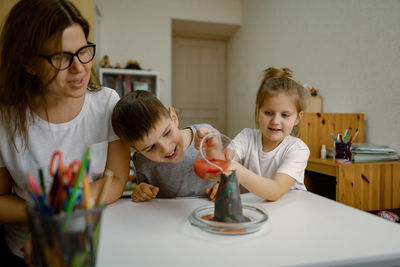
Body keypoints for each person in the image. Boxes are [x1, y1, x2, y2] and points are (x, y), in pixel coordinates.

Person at [0, 0, 130, 265]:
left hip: (91, 246)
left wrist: (59, 214)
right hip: (27, 253)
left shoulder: (107, 103)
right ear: (28, 63)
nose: (79, 67)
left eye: (83, 51)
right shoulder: (6, 118)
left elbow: (115, 179)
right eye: (61, 57)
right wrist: (44, 216)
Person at [195, 67, 310, 201]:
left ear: (297, 118)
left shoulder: (297, 149)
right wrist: (212, 147)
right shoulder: (247, 137)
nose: (275, 121)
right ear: (258, 111)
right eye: (268, 113)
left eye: (285, 115)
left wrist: (238, 172)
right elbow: (225, 162)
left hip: (289, 212)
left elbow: (275, 191)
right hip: (258, 209)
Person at [112, 90, 218, 202]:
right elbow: (145, 190)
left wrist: (223, 185)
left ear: (174, 117)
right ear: (137, 150)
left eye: (167, 133)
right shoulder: (142, 161)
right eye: (151, 148)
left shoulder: (207, 138)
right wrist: (142, 191)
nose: (166, 148)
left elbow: (232, 170)